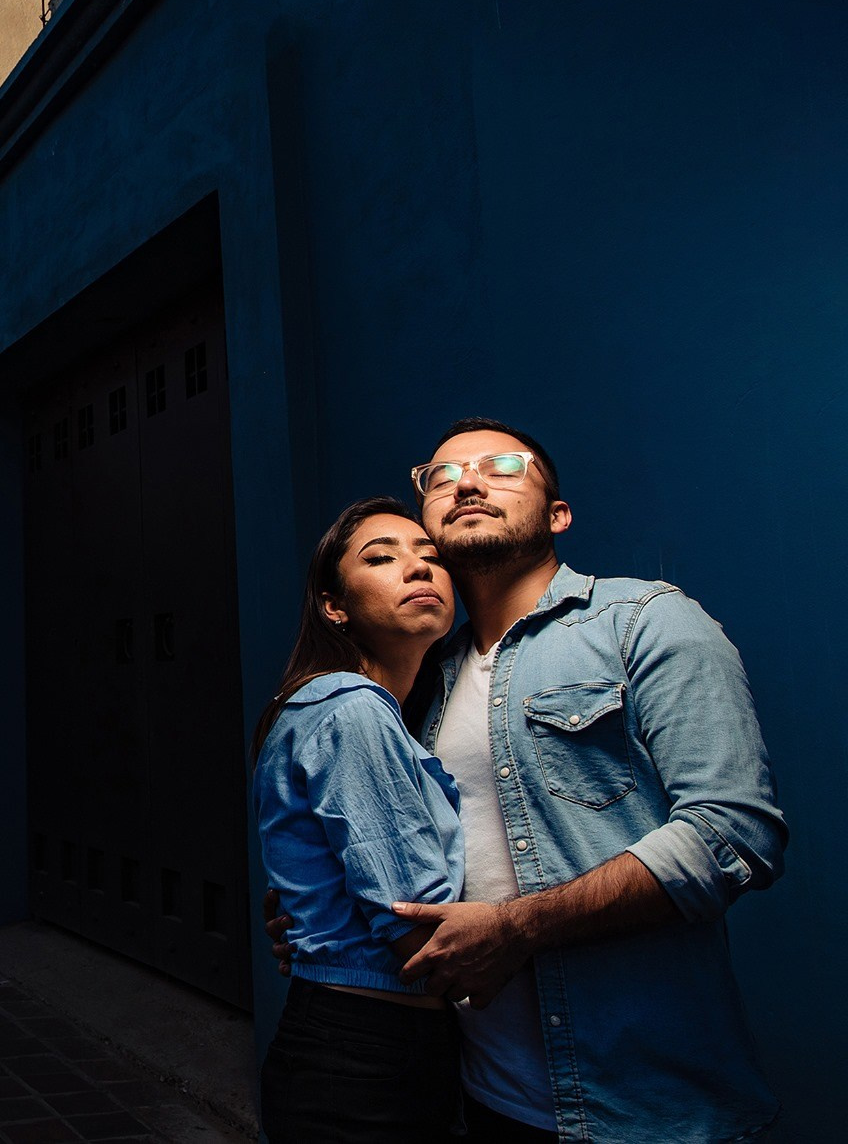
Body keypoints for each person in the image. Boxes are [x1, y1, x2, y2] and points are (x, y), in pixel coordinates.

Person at [272, 419, 788, 1143]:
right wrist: (323, 914)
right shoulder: (418, 680)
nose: (470, 482)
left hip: (639, 1107)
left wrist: (519, 927)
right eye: (442, 476)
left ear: (558, 514)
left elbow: (734, 833)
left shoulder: (644, 622)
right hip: (473, 1092)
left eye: (504, 466)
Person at [253, 498, 462, 1143]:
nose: (417, 568)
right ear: (333, 606)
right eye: (381, 557)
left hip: (361, 1041)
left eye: (431, 557)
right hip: (364, 1054)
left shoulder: (375, 711)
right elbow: (415, 931)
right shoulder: (351, 709)